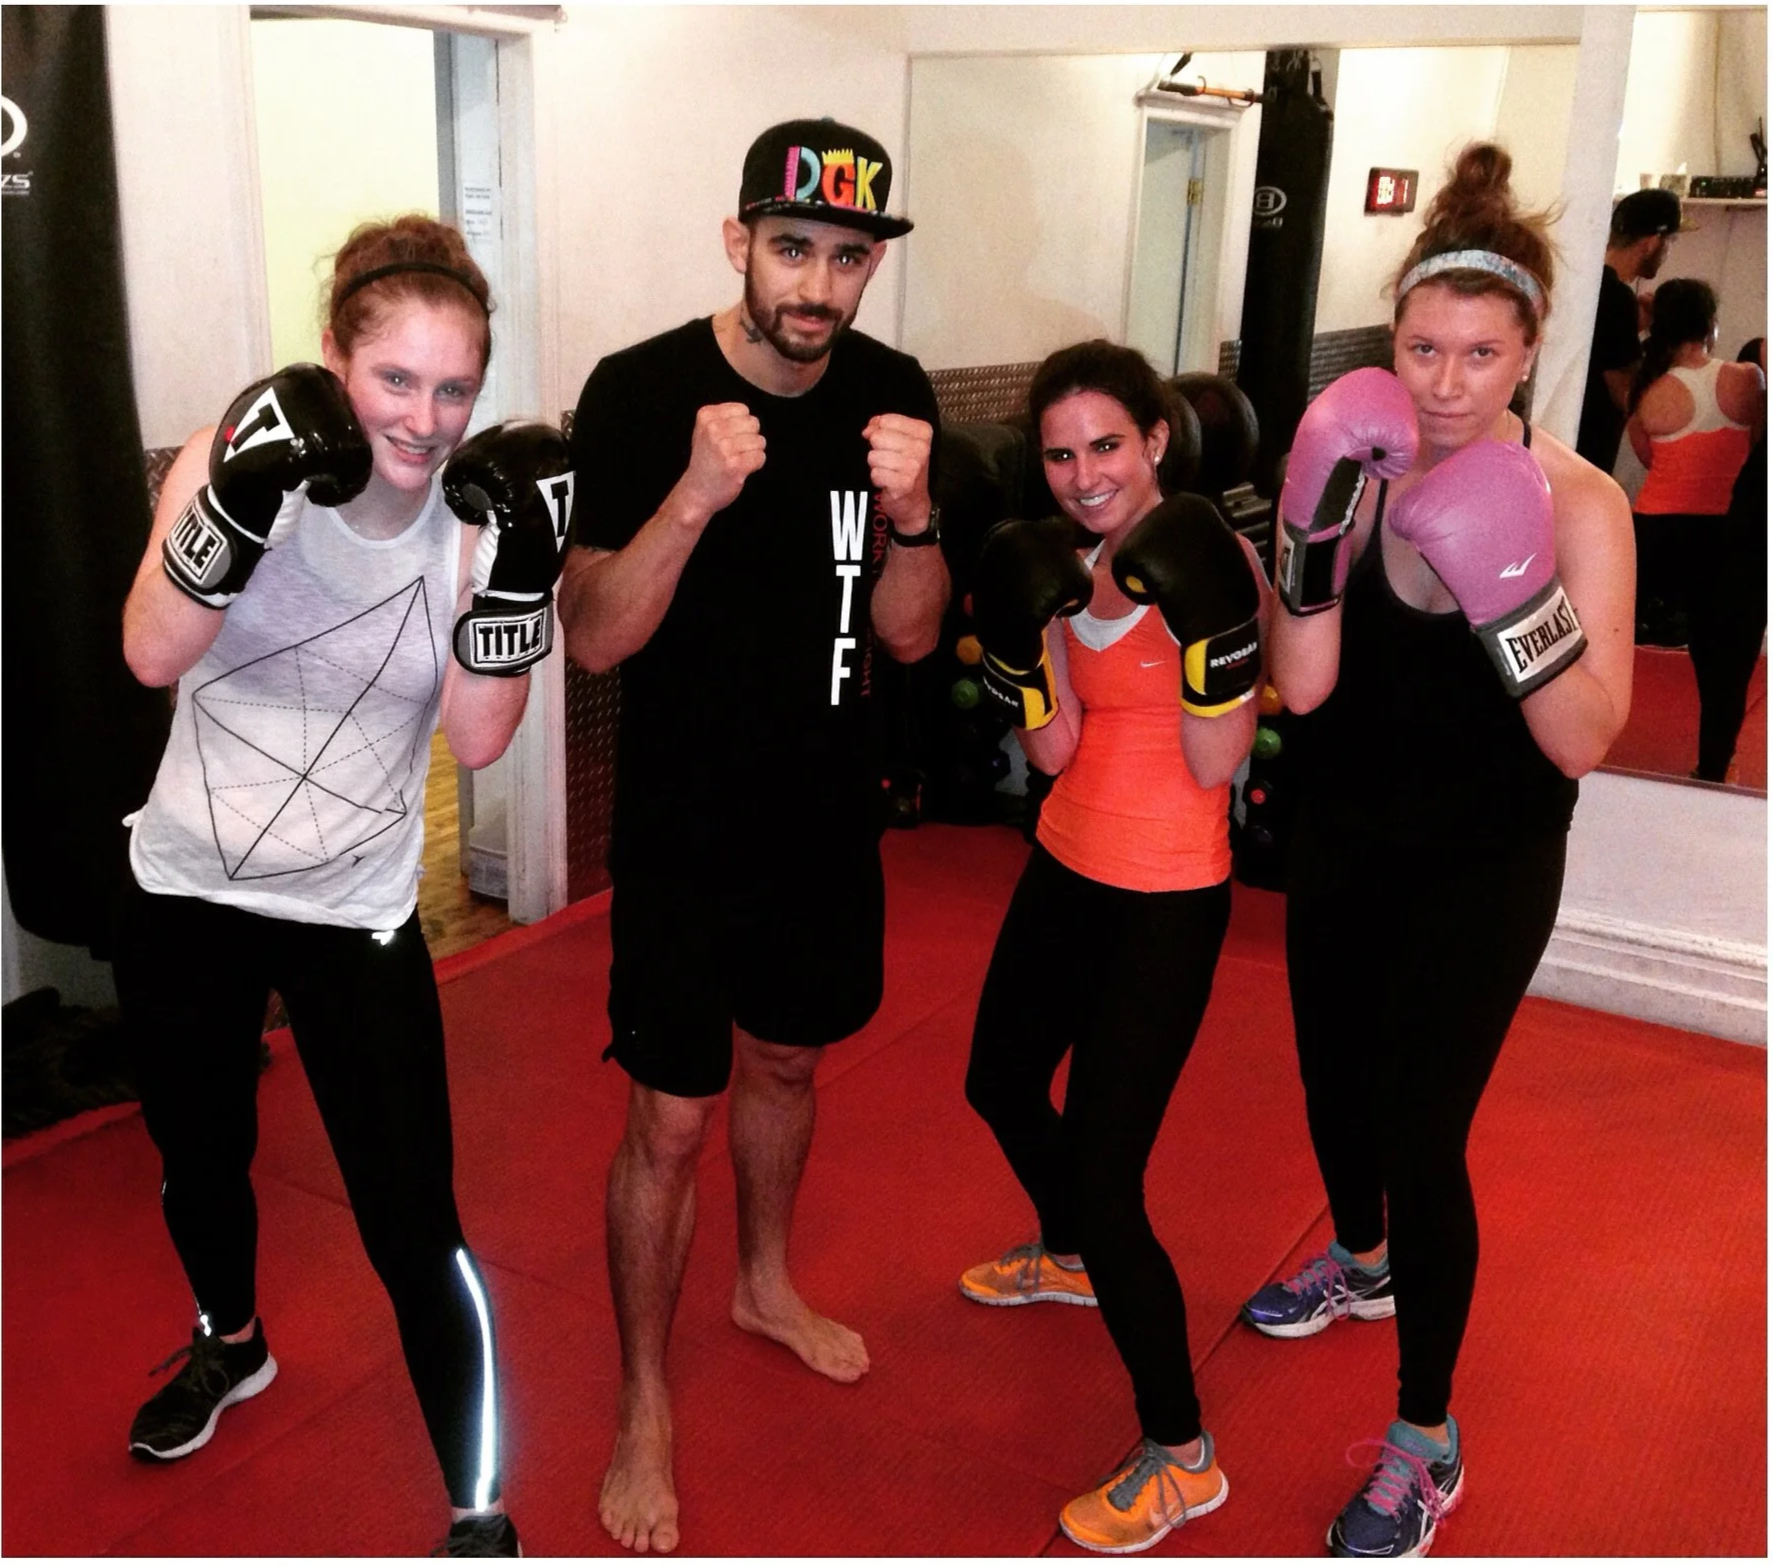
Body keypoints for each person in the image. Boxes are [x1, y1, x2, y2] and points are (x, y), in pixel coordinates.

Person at [117, 216, 571, 1558]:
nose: (425, 421)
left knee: (413, 1217)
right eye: (396, 382)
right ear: (334, 359)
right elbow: (150, 652)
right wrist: (237, 505)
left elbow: (480, 741)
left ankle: (477, 1504)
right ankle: (231, 1341)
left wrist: (529, 575)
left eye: (453, 389)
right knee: (199, 1157)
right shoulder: (228, 457)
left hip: (357, 910)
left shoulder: (475, 529)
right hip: (185, 883)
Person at [555, 117, 948, 1555]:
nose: (819, 285)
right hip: (681, 827)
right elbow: (591, 640)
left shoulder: (896, 397)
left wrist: (912, 515)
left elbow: (912, 636)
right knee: (668, 1114)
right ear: (739, 242)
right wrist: (692, 497)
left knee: (790, 1056)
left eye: (848, 258)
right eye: (794, 248)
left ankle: (763, 1279)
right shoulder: (641, 391)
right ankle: (643, 1397)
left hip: (826, 821)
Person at [1247, 143, 1634, 1558]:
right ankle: (1357, 1265)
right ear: (1390, 341)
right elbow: (1305, 685)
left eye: (1480, 351)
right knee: (1331, 1090)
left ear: (1530, 352)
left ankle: (1424, 1435)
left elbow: (1586, 733)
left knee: (1422, 1129)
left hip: (1484, 859)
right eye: (1421, 346)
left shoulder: (1585, 505)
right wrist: (1305, 527)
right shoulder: (1348, 457)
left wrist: (1509, 588)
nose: (1445, 381)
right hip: (1343, 826)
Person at [959, 341, 1267, 1554]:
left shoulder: (1211, 559)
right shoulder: (1059, 564)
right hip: (1065, 860)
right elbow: (1050, 754)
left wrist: (1201, 634)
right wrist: (1023, 651)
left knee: (1107, 1169)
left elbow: (1212, 763)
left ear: (1155, 439)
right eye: (1060, 451)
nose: (1085, 473)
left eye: (1106, 444)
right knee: (995, 1078)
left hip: (1168, 894)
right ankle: (1072, 1254)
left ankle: (1183, 1451)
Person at [1625, 284, 1766, 778]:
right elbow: (1755, 459)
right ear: (1711, 324)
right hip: (1730, 534)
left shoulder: (1648, 393)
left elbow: (1650, 461)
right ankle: (1712, 768)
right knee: (1725, 666)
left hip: (1659, 532)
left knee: (1612, 638)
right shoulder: (1748, 379)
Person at [1574, 187, 1692, 476]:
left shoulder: (1586, 281)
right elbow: (1624, 392)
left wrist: (1636, 326)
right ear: (1652, 243)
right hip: (1588, 445)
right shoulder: (1617, 297)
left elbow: (1600, 349)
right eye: (1671, 242)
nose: (1669, 252)